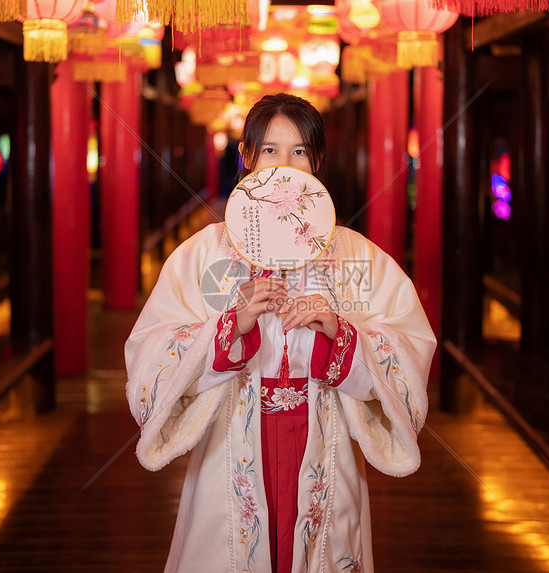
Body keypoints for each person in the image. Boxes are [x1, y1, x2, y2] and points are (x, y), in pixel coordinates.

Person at [125, 93, 436, 573]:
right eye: (269, 150)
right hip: (229, 442)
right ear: (247, 157)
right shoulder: (202, 253)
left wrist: (340, 333)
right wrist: (231, 327)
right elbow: (151, 348)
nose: (284, 164)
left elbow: (408, 342)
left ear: (318, 162)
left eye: (299, 152)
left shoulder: (359, 256)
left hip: (324, 435)